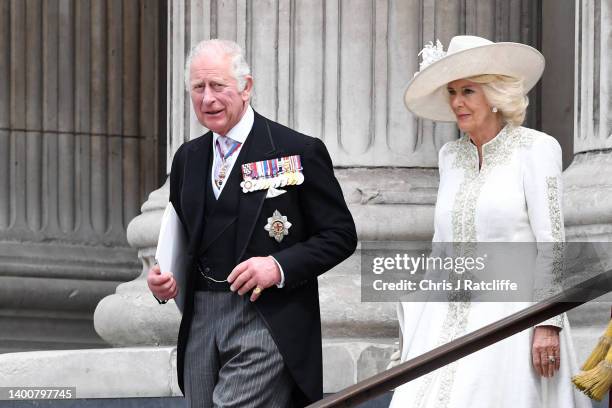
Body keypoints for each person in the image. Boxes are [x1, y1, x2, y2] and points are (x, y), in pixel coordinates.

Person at [147, 39, 357, 408]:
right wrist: (163, 281)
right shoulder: (187, 158)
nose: (208, 98)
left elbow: (340, 235)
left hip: (267, 318)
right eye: (198, 88)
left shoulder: (298, 151)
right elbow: (180, 240)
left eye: (218, 86)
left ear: (246, 87)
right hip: (200, 319)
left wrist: (277, 266)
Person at [389, 36, 591, 408]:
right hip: (445, 318)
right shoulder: (449, 156)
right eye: (451, 92)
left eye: (468, 90)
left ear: (495, 94)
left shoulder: (536, 149)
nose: (456, 102)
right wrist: (415, 327)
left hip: (512, 320)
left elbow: (552, 243)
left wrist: (548, 323)